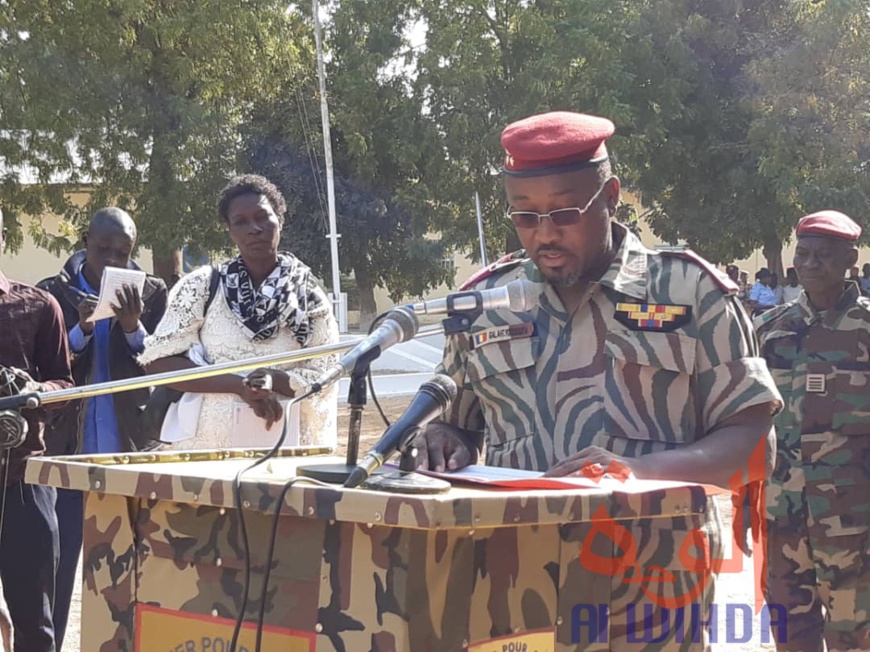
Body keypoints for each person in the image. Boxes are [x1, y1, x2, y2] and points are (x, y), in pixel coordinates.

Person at [411, 111, 781, 649]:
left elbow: (754, 445)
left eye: (563, 212)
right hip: (517, 587)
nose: (545, 234)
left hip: (654, 588)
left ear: (609, 195)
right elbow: (458, 428)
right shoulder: (487, 302)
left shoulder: (688, 291)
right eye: (525, 216)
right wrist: (443, 442)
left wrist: (638, 472)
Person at [37, 207, 167, 650]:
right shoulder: (51, 295)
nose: (113, 260)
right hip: (66, 457)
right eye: (103, 249)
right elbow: (41, 374)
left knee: (138, 574)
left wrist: (134, 329)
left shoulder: (152, 295)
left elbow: (164, 372)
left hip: (130, 455)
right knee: (54, 572)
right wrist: (80, 330)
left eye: (124, 251)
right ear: (85, 241)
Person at [139, 174, 339, 449]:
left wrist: (274, 380)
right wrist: (238, 386)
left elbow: (326, 374)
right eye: (240, 222)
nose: (253, 228)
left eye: (262, 217)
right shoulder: (202, 287)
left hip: (284, 448)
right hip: (207, 451)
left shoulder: (309, 297)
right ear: (230, 231)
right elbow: (158, 362)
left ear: (280, 220)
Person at [756, 210, 869, 652]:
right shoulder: (769, 331)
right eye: (803, 253)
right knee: (789, 634)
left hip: (853, 525)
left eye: (824, 255)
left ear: (850, 260)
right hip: (783, 518)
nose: (810, 264)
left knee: (854, 639)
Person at [0, 207, 74, 652]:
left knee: (34, 621)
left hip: (23, 481)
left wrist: (33, 389)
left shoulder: (37, 305)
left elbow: (65, 385)